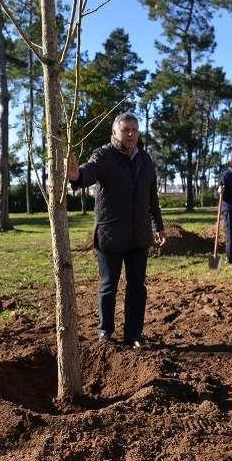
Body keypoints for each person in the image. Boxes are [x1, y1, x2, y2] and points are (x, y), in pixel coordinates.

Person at [67, 112, 166, 349]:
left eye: (134, 129)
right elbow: (88, 172)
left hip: (139, 237)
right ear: (115, 133)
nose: (131, 134)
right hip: (110, 236)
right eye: (126, 130)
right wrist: (76, 175)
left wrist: (158, 226)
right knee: (108, 286)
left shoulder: (145, 159)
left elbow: (152, 199)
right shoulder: (104, 156)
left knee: (137, 288)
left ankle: (133, 335)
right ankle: (105, 332)